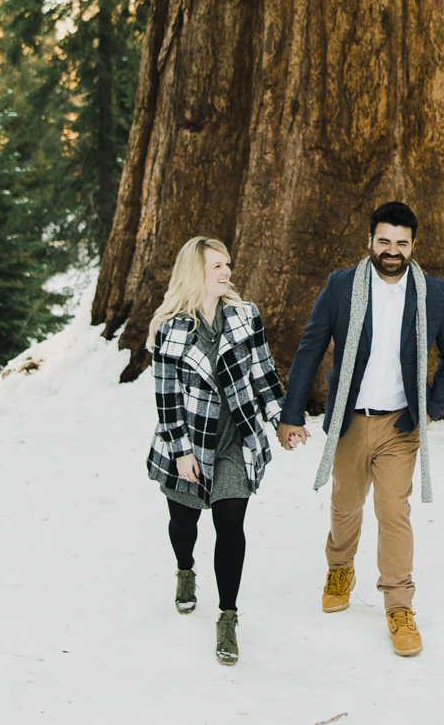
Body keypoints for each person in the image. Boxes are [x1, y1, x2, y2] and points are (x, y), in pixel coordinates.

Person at [277, 201, 444, 657]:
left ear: (413, 246)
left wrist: (428, 409)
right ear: (370, 241)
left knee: (393, 512)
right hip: (350, 421)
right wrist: (291, 413)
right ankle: (340, 567)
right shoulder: (342, 286)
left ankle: (399, 604)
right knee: (345, 507)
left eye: (402, 243)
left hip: (400, 425)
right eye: (384, 240)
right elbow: (311, 346)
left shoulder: (433, 293)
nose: (392, 250)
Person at [146, 235, 286, 666]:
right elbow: (166, 397)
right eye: (217, 267)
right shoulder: (169, 328)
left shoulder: (245, 316)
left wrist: (282, 420)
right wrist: (181, 451)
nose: (227, 273)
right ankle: (185, 571)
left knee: (230, 526)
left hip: (235, 439)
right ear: (196, 274)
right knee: (184, 524)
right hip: (187, 441)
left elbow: (264, 372)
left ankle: (228, 616)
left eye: (228, 265)